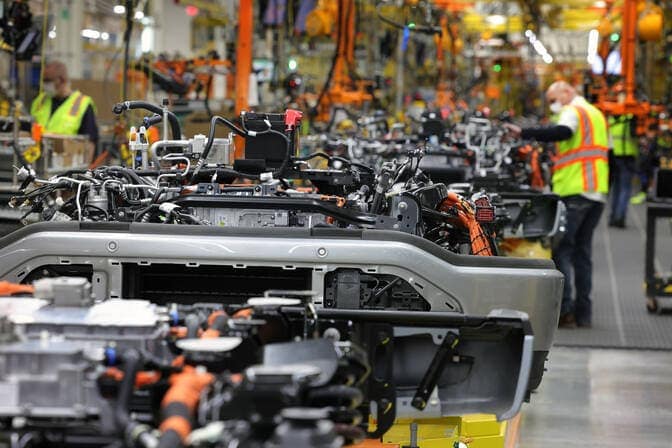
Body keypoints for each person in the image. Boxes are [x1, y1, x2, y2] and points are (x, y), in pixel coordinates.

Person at [507, 81, 609, 328]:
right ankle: (584, 314)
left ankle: (565, 312)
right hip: (596, 191)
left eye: (554, 98)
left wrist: (525, 133)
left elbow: (563, 132)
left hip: (576, 191)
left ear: (568, 92)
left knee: (562, 249)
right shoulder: (596, 113)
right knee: (582, 253)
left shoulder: (573, 110)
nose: (553, 104)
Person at [30, 60, 99, 155]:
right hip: (36, 158)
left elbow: (90, 143)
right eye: (43, 81)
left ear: (62, 80)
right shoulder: (40, 101)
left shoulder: (83, 104)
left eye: (48, 81)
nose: (45, 85)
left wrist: (86, 169)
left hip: (67, 163)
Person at [608, 115, 638, 227]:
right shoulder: (630, 118)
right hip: (627, 157)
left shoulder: (611, 119)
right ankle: (620, 217)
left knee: (616, 188)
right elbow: (636, 134)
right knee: (625, 188)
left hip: (613, 156)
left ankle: (612, 216)